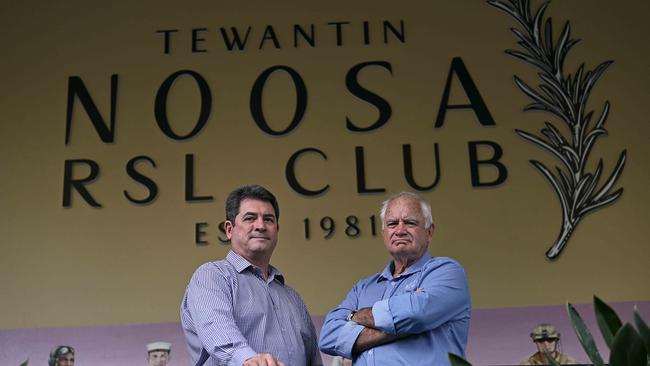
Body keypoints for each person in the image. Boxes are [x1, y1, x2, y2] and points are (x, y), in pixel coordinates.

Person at [319, 192, 471, 365]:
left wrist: (355, 316)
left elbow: (417, 314)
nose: (400, 230)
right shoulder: (363, 288)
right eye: (392, 224)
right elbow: (328, 337)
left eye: (410, 222)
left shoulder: (446, 272)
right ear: (384, 233)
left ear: (429, 232)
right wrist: (406, 323)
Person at [181, 184, 323, 366]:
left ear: (277, 230)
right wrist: (248, 359)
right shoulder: (212, 277)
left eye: (269, 219)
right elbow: (215, 327)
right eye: (250, 218)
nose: (261, 226)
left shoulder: (292, 298)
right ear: (229, 229)